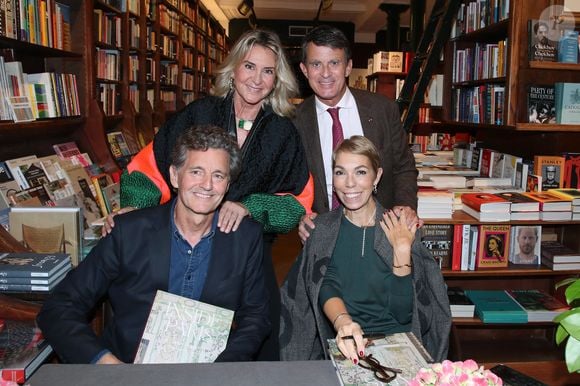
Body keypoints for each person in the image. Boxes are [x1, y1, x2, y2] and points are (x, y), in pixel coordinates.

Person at [106, 29, 312, 361]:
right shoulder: (198, 114)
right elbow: (153, 166)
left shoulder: (282, 132)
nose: (257, 79)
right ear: (233, 69)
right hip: (182, 249)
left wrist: (249, 207)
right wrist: (134, 206)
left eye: (268, 71)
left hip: (245, 258)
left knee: (250, 345)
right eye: (249, 66)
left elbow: (296, 203)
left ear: (277, 80)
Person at [36, 126, 270, 364]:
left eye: (218, 175)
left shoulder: (245, 238)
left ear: (228, 184)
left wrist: (221, 368)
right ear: (174, 176)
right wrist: (104, 363)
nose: (207, 185)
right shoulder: (129, 232)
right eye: (196, 172)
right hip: (127, 373)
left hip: (209, 374)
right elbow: (59, 307)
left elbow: (256, 317)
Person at [279, 136, 451, 363]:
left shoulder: (401, 226)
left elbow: (403, 314)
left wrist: (401, 250)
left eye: (360, 172)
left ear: (377, 176)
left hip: (398, 345)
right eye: (340, 172)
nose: (349, 183)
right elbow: (324, 285)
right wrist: (344, 323)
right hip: (342, 342)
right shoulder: (321, 229)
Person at [293, 25, 420, 242]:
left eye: (334, 63)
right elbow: (291, 184)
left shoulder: (383, 110)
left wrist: (405, 206)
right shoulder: (294, 121)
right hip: (324, 237)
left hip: (383, 232)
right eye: (316, 64)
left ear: (348, 66)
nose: (325, 73)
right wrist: (300, 216)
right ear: (304, 70)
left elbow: (403, 167)